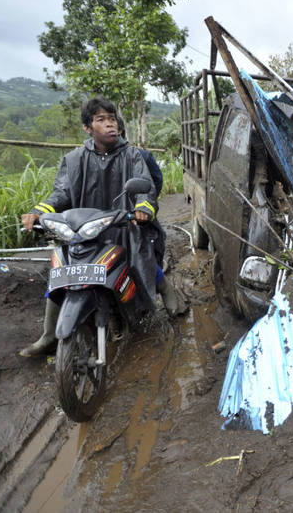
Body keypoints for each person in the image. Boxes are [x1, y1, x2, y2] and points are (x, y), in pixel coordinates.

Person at [19, 97, 180, 357]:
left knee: (143, 260)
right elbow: (61, 193)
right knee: (62, 270)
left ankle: (171, 301)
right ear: (87, 127)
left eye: (112, 119)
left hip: (124, 227)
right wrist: (40, 211)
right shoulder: (74, 159)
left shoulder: (134, 155)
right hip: (84, 230)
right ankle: (49, 335)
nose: (110, 125)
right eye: (101, 120)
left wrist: (143, 209)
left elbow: (147, 189)